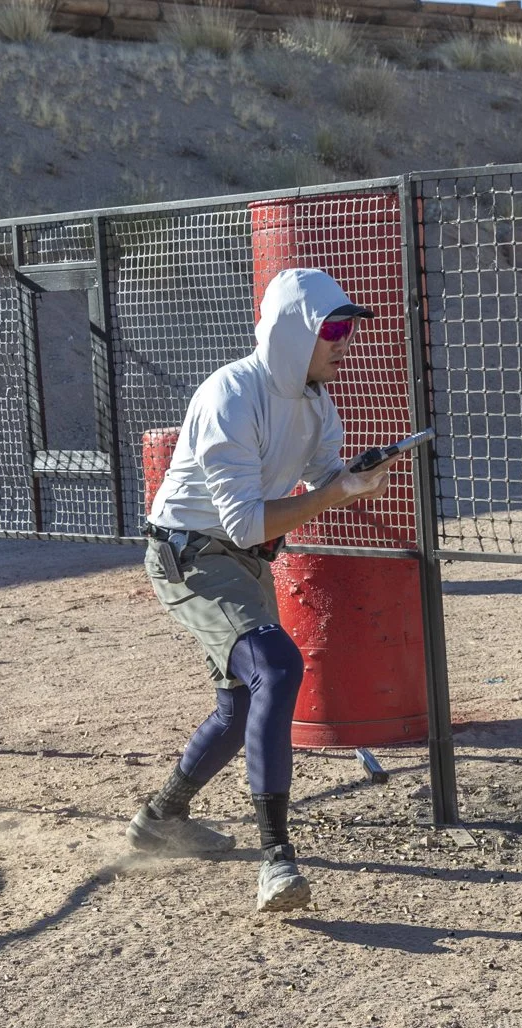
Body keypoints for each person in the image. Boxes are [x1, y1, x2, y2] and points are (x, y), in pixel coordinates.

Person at [132, 267, 393, 912]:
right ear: (293, 333)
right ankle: (277, 858)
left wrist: (354, 478)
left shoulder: (315, 401)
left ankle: (160, 819)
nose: (345, 341)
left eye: (348, 328)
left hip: (241, 560)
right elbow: (246, 522)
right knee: (275, 668)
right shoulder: (230, 395)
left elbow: (324, 476)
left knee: (240, 705)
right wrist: (336, 491)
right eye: (332, 329)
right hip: (190, 555)